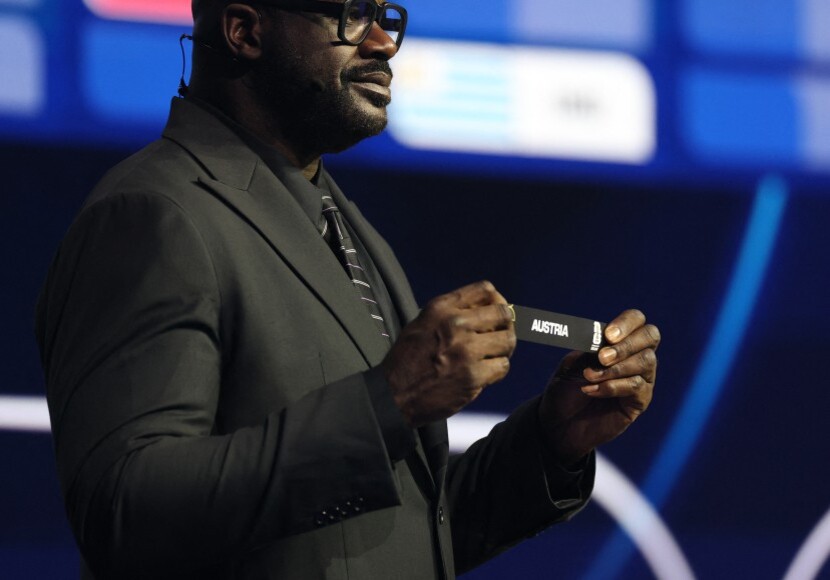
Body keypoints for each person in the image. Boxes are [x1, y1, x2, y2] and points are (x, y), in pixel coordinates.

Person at [35, 1, 661, 578]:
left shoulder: (345, 224)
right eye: (352, 14)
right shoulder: (153, 214)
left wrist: (551, 442)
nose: (384, 43)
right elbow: (123, 512)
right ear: (245, 31)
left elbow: (399, 531)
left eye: (387, 16)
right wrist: (391, 400)